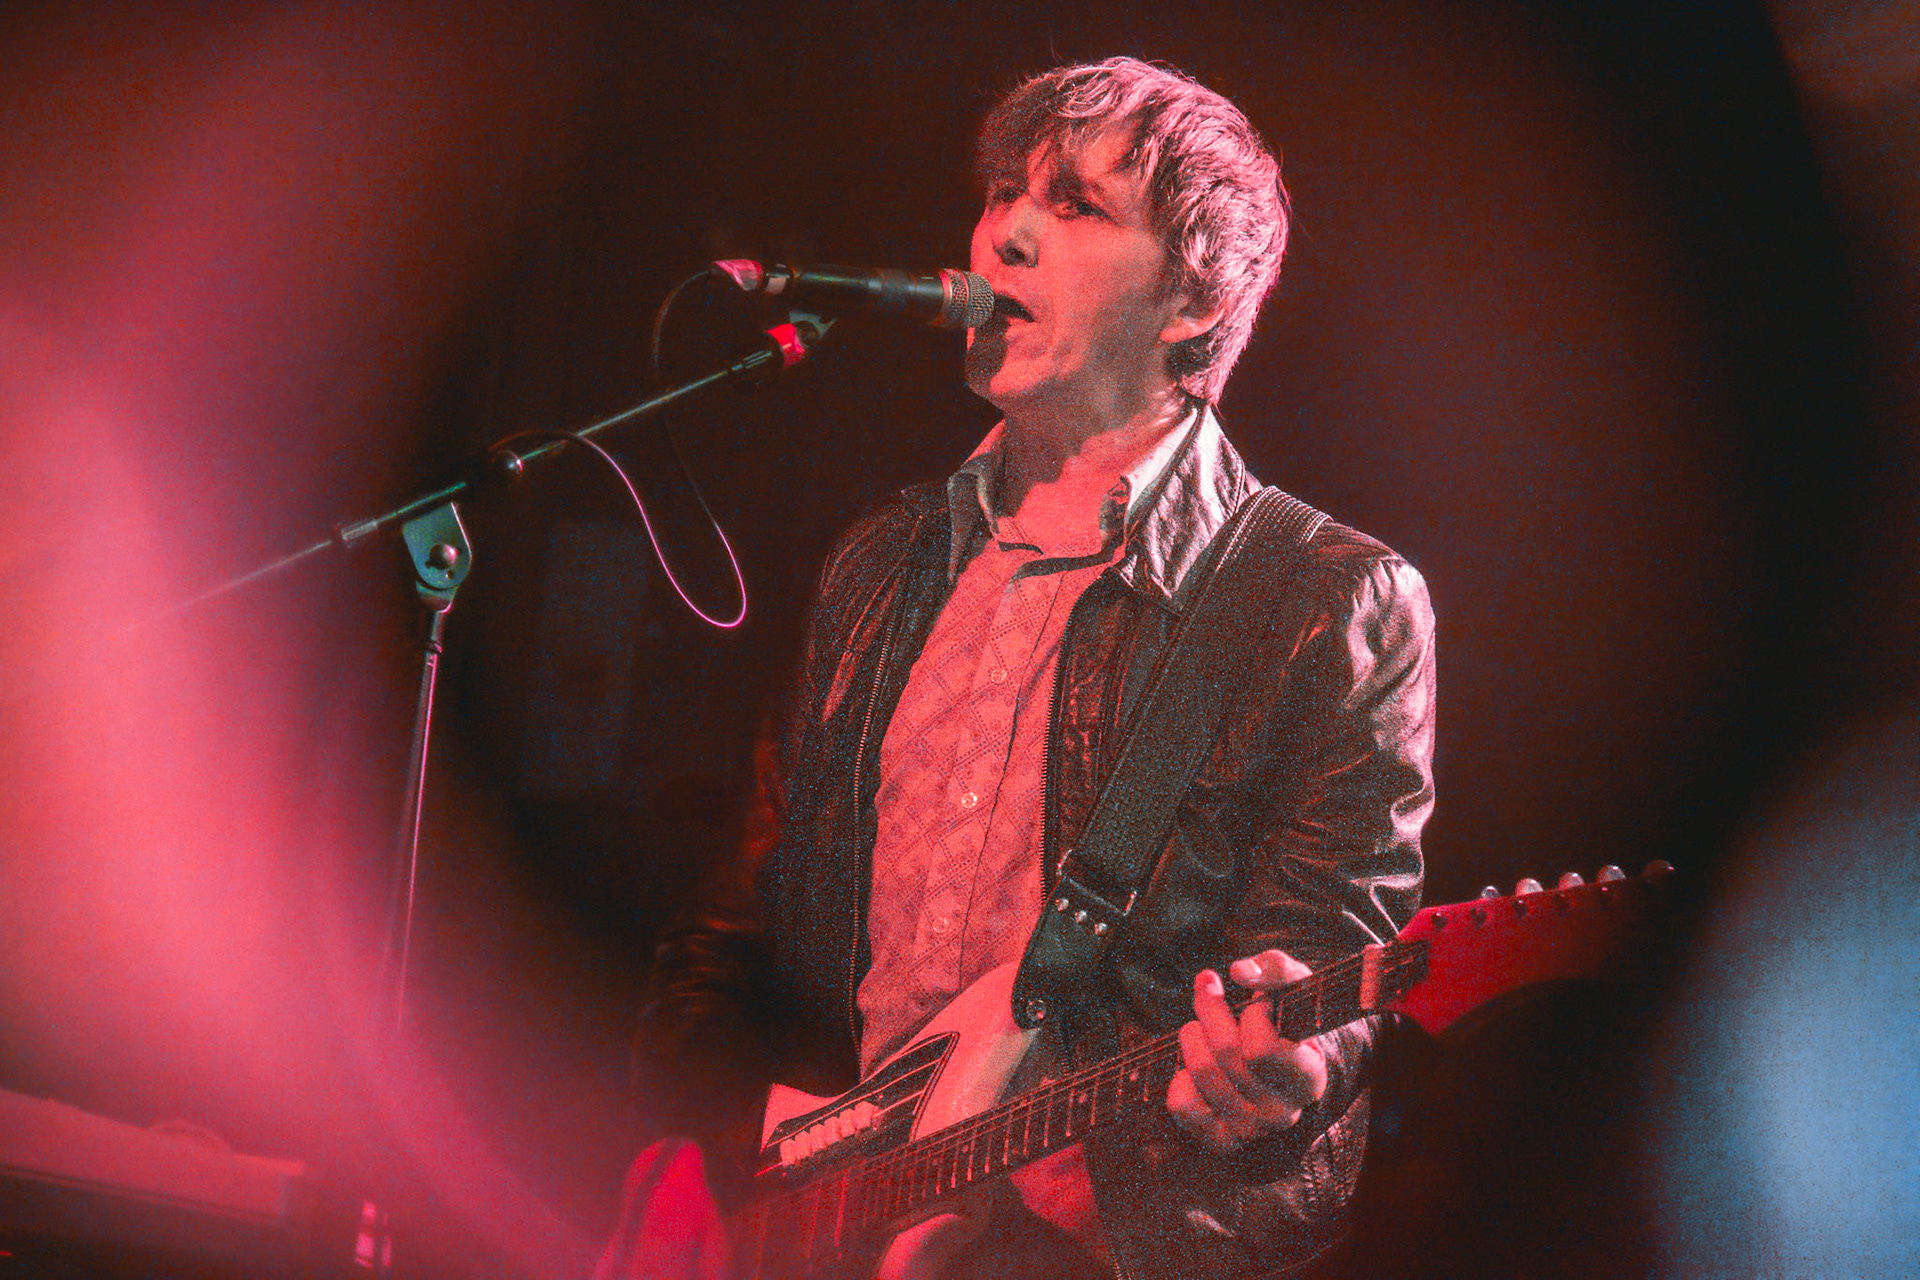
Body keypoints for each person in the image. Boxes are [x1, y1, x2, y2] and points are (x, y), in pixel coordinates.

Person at [599, 56, 1435, 1280]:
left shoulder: (1324, 597)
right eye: (1001, 192)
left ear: (1193, 297)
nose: (1005, 234)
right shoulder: (879, 561)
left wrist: (1284, 1066)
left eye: (1075, 203)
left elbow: (1330, 969)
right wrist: (708, 1145)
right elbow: (725, 936)